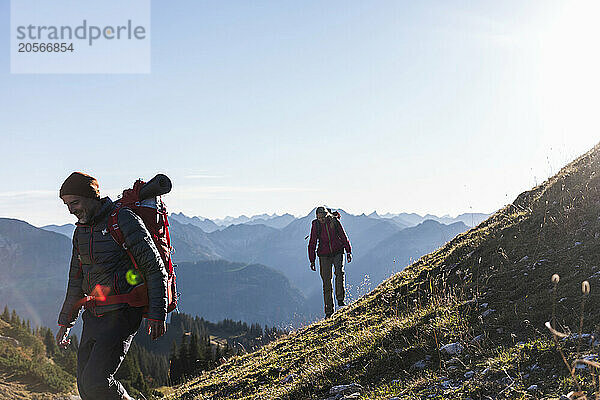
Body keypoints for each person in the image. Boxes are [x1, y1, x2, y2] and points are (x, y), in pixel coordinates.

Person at [55, 172, 168, 400]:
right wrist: (65, 322)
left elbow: (154, 267)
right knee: (85, 387)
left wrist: (157, 313)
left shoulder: (123, 219)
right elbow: (76, 280)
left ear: (92, 196)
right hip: (94, 314)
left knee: (96, 382)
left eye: (74, 202)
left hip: (123, 312)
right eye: (67, 204)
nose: (71, 210)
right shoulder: (80, 232)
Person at [308, 206, 352, 318]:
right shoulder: (316, 225)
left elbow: (343, 235)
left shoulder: (334, 221)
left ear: (326, 215)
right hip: (324, 255)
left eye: (322, 217)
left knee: (339, 273)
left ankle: (340, 299)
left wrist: (348, 251)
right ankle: (329, 311)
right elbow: (312, 242)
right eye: (319, 218)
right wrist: (312, 260)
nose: (321, 220)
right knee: (326, 282)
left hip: (338, 251)